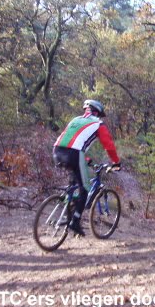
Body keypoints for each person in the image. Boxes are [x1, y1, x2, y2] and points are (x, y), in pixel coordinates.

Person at [53, 100, 121, 236]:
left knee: (74, 185)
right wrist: (116, 162)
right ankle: (75, 222)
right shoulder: (98, 124)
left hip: (57, 151)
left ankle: (69, 207)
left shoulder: (75, 120)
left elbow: (72, 141)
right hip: (74, 154)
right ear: (98, 113)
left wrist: (86, 160)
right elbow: (109, 146)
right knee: (84, 189)